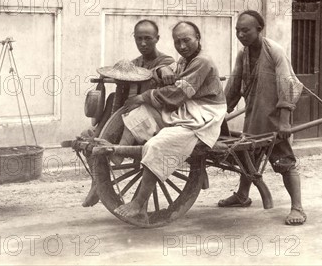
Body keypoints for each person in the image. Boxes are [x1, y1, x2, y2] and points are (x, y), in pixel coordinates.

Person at [113, 21, 226, 222]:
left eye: (187, 40)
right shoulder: (183, 61)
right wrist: (160, 71)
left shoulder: (203, 61)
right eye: (177, 41)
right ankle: (119, 153)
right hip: (187, 108)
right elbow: (169, 77)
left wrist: (143, 96)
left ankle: (138, 203)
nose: (182, 46)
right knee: (140, 112)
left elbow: (177, 93)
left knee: (159, 143)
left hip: (204, 116)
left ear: (198, 37)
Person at [217, 10, 305, 225]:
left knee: (284, 162)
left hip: (275, 118)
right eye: (237, 30)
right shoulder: (243, 54)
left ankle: (298, 208)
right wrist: (220, 112)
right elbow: (234, 86)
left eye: (245, 30)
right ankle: (242, 196)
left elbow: (287, 84)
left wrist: (284, 121)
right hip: (253, 115)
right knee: (248, 157)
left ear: (259, 29)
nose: (240, 34)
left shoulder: (275, 51)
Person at [81, 19, 175, 207]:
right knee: (87, 136)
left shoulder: (166, 62)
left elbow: (168, 75)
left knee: (134, 114)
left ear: (157, 38)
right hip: (130, 112)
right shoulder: (135, 63)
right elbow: (121, 98)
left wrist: (161, 70)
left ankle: (116, 155)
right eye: (138, 38)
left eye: (148, 38)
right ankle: (97, 183)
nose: (143, 43)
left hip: (154, 117)